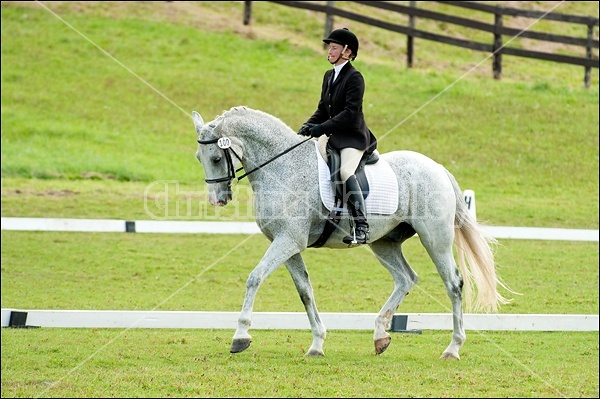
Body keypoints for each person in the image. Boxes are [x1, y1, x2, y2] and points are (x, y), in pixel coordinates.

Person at [298, 27, 377, 245]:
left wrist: (321, 128)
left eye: (334, 48)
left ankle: (362, 226)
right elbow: (323, 108)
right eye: (329, 47)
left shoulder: (355, 77)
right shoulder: (329, 76)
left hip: (353, 137)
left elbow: (349, 113)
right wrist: (308, 125)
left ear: (347, 52)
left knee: (344, 171)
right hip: (333, 135)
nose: (329, 51)